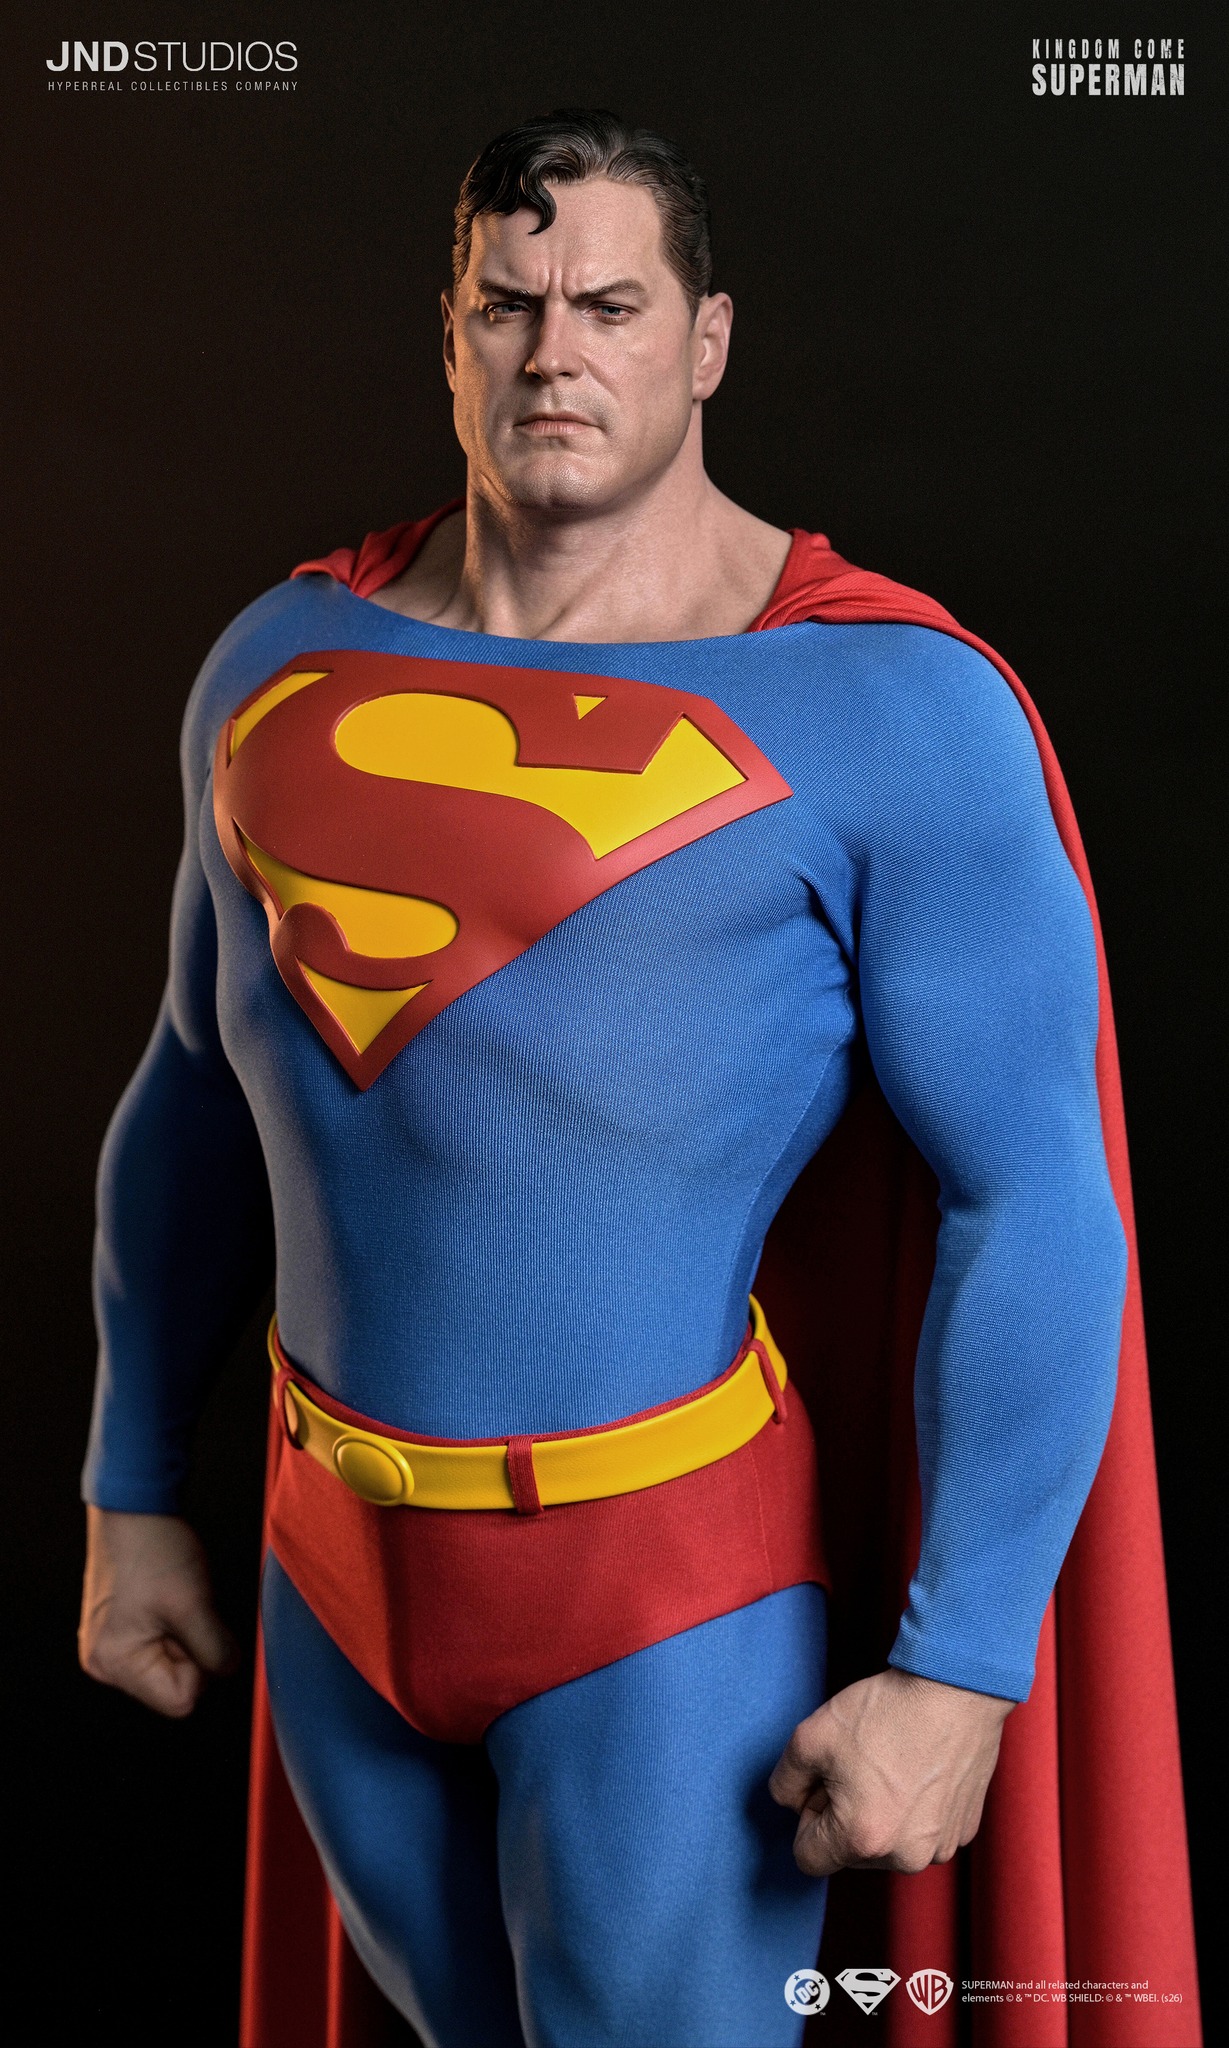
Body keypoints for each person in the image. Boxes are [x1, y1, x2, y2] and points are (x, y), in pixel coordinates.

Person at [77, 110, 1194, 2048]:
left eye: (607, 305)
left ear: (706, 340)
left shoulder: (888, 708)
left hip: (656, 1597)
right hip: (336, 1566)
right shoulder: (278, 660)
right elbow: (189, 1086)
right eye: (506, 306)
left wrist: (962, 1665)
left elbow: (1032, 1190)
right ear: (447, 334)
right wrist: (128, 1486)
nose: (552, 353)